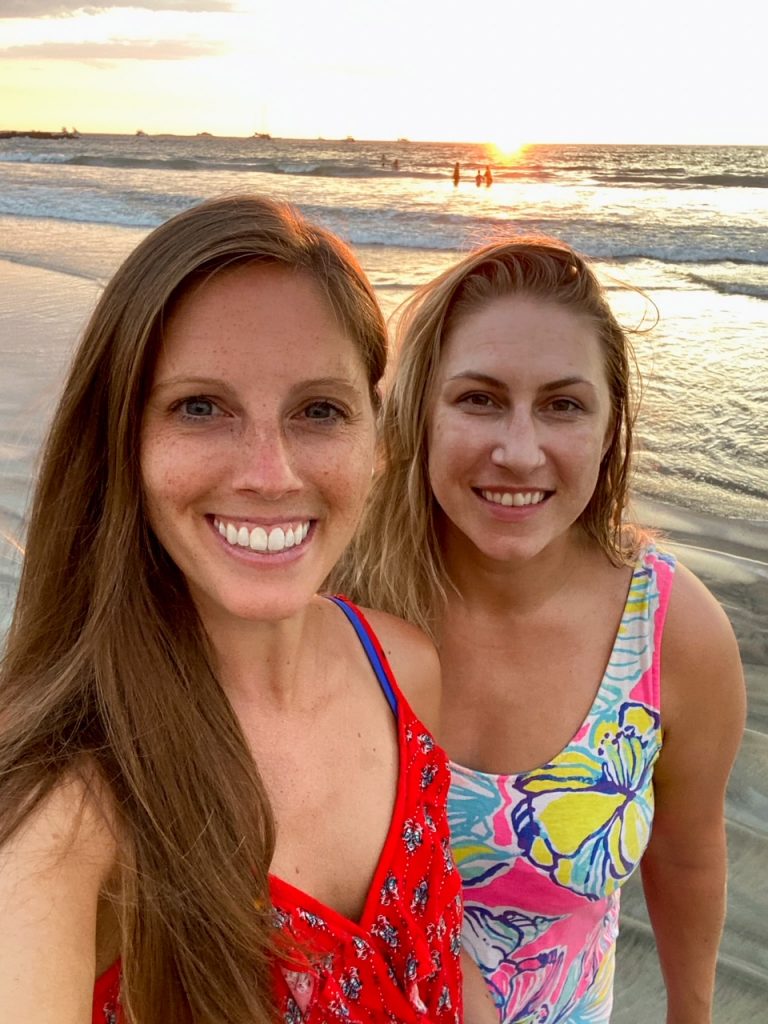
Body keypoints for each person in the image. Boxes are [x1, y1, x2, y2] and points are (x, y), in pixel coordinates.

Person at [0, 195, 497, 1024]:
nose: (270, 474)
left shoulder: (404, 668)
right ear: (123, 439)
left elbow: (438, 951)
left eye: (318, 410)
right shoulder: (72, 802)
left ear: (375, 434)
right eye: (200, 407)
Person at [334, 236, 746, 1022]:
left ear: (608, 426)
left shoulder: (670, 632)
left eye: (563, 404)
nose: (519, 451)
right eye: (479, 398)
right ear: (421, 411)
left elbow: (688, 852)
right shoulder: (339, 603)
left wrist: (692, 1012)